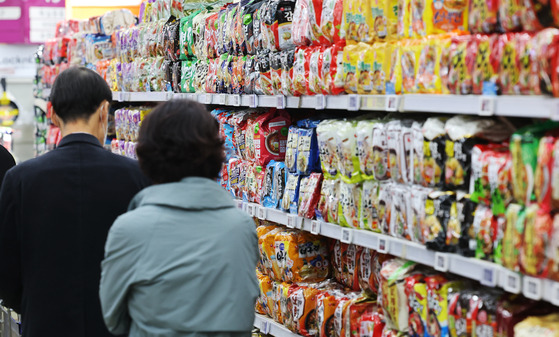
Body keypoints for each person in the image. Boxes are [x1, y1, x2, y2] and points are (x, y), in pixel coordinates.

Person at [0, 67, 150, 337]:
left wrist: (34, 304)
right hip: (117, 325)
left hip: (45, 322)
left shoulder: (20, 179)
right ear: (104, 111)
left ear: (53, 113)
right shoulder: (137, 177)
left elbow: (6, 270)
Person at [100, 99, 259, 337]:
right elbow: (243, 314)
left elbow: (113, 318)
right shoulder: (241, 226)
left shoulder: (129, 229)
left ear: (147, 154)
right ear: (215, 153)